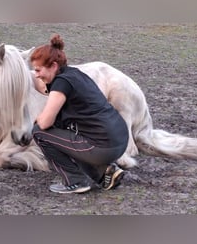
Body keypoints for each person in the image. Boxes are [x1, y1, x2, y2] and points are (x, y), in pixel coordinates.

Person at [31, 34, 129, 194]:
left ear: (54, 66)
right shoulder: (74, 74)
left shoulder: (61, 83)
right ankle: (105, 172)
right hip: (120, 139)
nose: (36, 75)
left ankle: (75, 182)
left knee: (39, 132)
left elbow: (44, 123)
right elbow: (45, 89)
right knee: (67, 133)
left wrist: (39, 118)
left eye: (38, 70)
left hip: (104, 146)